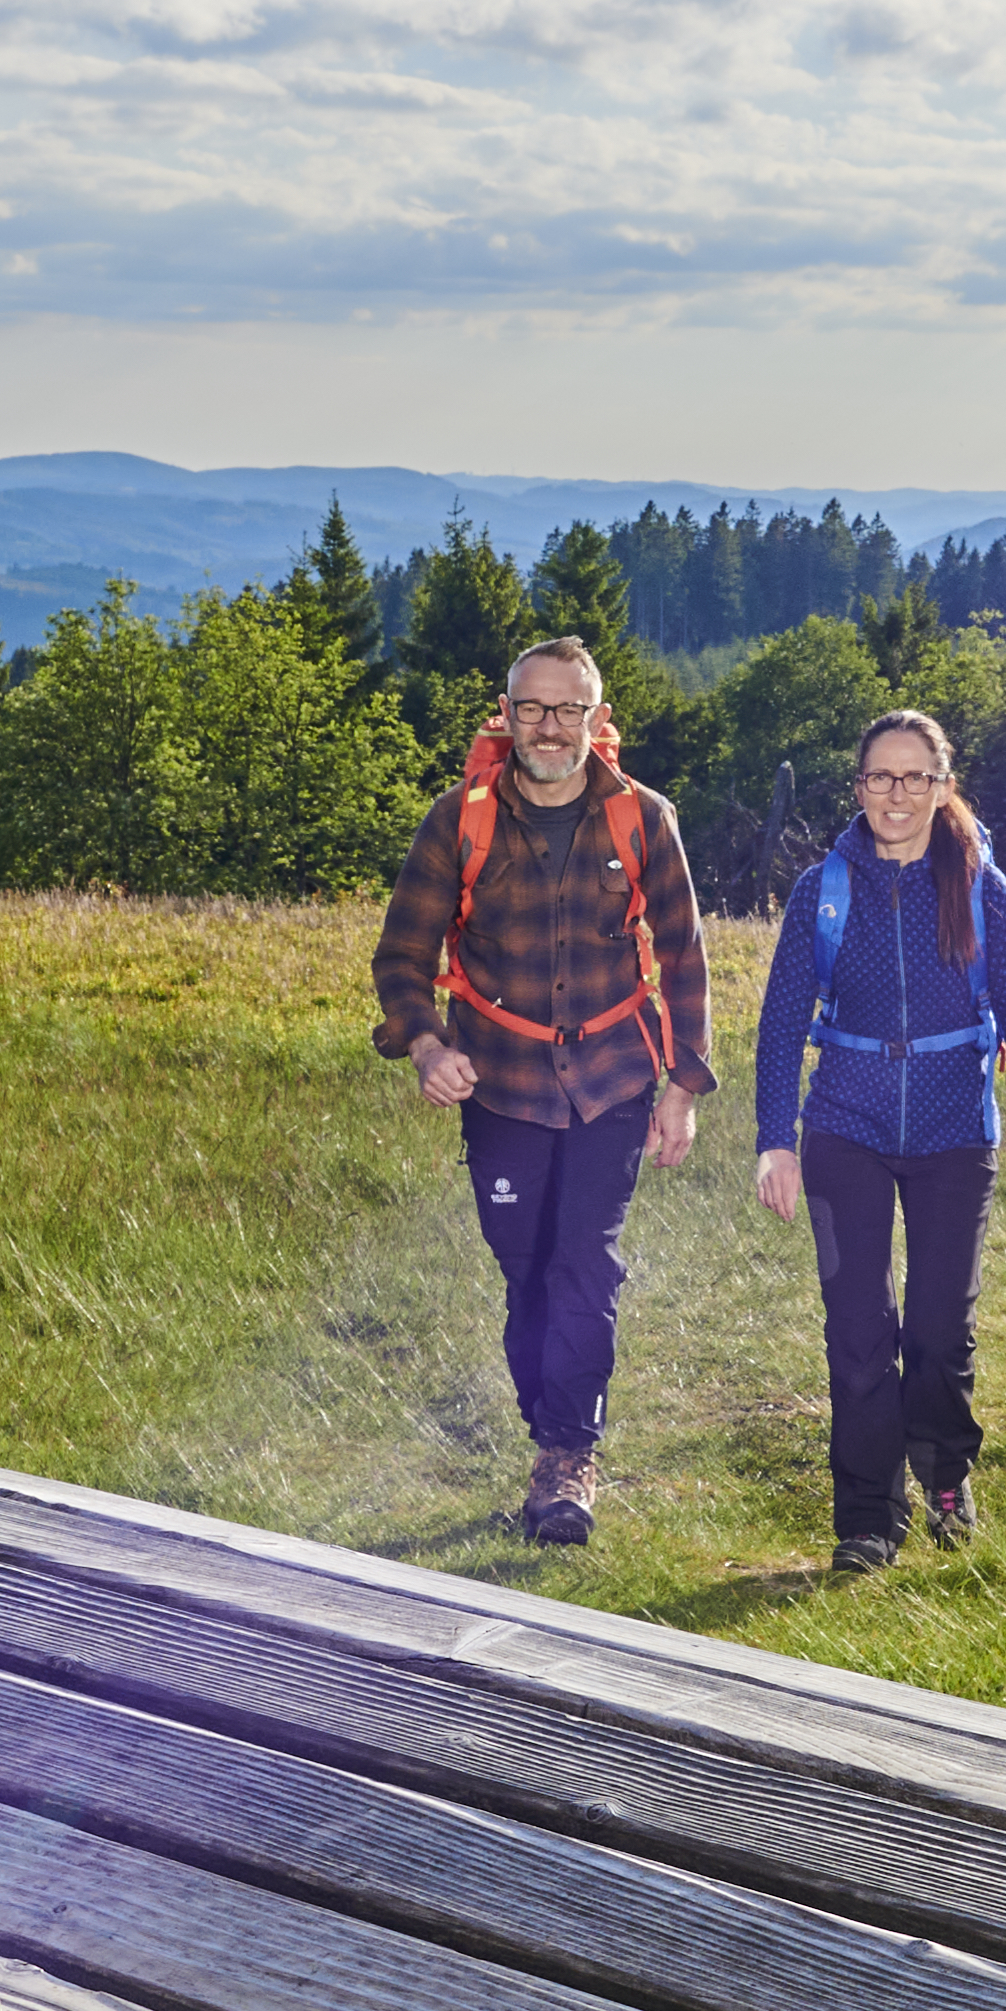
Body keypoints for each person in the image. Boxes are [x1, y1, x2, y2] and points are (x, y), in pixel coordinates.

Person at [369, 637, 710, 1545]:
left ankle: (567, 1456)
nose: (550, 727)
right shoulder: (459, 820)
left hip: (614, 1079)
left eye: (570, 710)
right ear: (506, 714)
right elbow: (402, 958)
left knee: (584, 1260)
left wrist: (684, 1086)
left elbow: (681, 959)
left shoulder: (645, 818)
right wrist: (426, 1046)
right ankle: (547, 1425)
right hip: (502, 1083)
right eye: (533, 708)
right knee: (524, 1267)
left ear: (598, 722)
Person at [745, 708, 1006, 1575]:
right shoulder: (824, 889)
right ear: (859, 788)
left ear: (941, 785)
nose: (897, 793)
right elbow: (780, 1025)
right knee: (856, 1328)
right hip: (842, 1127)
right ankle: (867, 1519)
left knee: (936, 1326)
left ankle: (947, 1477)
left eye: (915, 776)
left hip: (955, 1132)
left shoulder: (980, 886)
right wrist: (775, 1139)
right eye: (880, 776)